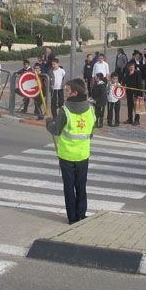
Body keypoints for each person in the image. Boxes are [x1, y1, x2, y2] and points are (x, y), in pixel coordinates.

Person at [46, 78, 95, 224]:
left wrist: (48, 121)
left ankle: (72, 218)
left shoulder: (65, 110)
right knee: (81, 186)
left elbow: (56, 130)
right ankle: (81, 214)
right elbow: (90, 133)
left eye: (67, 90)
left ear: (74, 93)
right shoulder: (91, 109)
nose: (64, 92)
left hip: (67, 155)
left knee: (69, 188)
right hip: (83, 155)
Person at [122, 61, 143, 125]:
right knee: (130, 106)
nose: (131, 68)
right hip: (129, 92)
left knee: (137, 107)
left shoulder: (138, 73)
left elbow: (139, 83)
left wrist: (139, 94)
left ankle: (137, 120)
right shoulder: (127, 73)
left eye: (132, 67)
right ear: (128, 67)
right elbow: (124, 81)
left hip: (136, 92)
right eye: (130, 67)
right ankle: (130, 119)